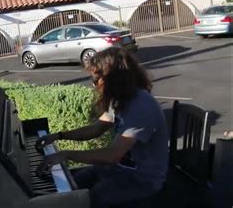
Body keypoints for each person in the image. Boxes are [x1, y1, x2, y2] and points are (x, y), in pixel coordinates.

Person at [35, 47, 168, 208]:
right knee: (78, 180)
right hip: (125, 170)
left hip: (144, 180)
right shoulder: (121, 99)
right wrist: (59, 136)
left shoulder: (140, 105)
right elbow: (96, 129)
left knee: (96, 196)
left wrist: (66, 154)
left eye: (96, 80)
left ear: (113, 78)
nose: (94, 86)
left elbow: (113, 155)